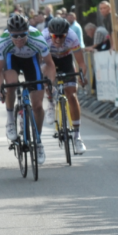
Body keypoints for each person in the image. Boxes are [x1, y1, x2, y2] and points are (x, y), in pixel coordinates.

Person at [0, 12, 56, 164]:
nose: (18, 39)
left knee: (37, 105)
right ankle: (10, 120)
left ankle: (39, 141)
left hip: (31, 61)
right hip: (12, 59)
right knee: (11, 83)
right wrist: (0, 89)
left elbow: (50, 64)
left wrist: (50, 83)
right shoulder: (3, 41)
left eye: (22, 35)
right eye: (14, 36)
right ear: (9, 34)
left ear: (28, 31)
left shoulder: (38, 39)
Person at [42, 17, 89, 154]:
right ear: (50, 34)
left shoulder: (72, 37)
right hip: (49, 60)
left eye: (61, 36)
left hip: (66, 61)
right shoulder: (43, 37)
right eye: (54, 36)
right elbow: (38, 61)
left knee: (72, 95)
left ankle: (77, 136)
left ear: (66, 34)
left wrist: (81, 76)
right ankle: (50, 101)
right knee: (44, 72)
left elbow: (81, 64)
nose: (57, 39)